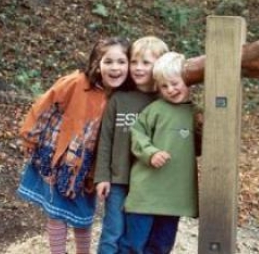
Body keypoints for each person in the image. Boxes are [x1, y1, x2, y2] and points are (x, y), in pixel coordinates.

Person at [16, 37, 131, 254]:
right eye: (108, 62)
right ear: (97, 63)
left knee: (83, 216)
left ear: (129, 65)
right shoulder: (78, 83)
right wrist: (30, 137)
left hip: (90, 167)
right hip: (60, 158)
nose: (115, 68)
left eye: (121, 62)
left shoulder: (125, 96)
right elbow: (45, 104)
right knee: (56, 212)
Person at [94, 36, 169, 254]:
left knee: (137, 236)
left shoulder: (164, 101)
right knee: (112, 232)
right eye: (134, 62)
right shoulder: (119, 99)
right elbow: (105, 140)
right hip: (118, 179)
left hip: (147, 182)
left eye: (146, 63)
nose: (137, 68)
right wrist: (102, 176)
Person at [122, 51, 202, 254]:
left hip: (175, 195)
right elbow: (137, 133)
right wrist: (150, 153)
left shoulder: (195, 113)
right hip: (146, 193)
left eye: (175, 83)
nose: (170, 90)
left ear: (188, 82)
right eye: (164, 86)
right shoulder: (155, 109)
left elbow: (199, 147)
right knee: (132, 245)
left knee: (161, 247)